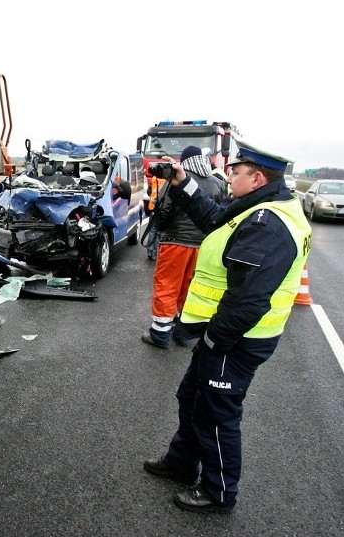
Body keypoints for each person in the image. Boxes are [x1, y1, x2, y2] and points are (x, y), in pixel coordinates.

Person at [142, 142, 312, 514]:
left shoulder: (268, 224)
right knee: (191, 396)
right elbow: (213, 220)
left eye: (236, 171)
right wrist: (182, 182)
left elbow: (249, 299)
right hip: (224, 334)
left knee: (217, 414)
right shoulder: (255, 207)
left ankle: (218, 492)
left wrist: (216, 338)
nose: (229, 175)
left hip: (236, 339)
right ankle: (181, 461)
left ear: (257, 177)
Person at [141, 146, 227, 349]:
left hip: (175, 241)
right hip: (203, 245)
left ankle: (160, 334)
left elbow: (163, 208)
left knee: (167, 285)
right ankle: (182, 330)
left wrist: (159, 229)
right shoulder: (217, 183)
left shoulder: (177, 179)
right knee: (189, 287)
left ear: (184, 161)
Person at [144, 171, 166, 260]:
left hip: (152, 206)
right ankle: (155, 253)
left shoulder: (154, 179)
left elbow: (149, 192)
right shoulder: (166, 181)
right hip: (161, 208)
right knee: (158, 231)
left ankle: (149, 251)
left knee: (152, 230)